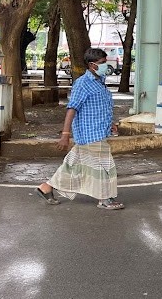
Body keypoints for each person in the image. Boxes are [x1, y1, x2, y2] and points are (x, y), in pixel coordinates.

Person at [35, 48, 124, 210]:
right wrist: (65, 134)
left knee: (73, 165)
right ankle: (104, 199)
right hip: (90, 133)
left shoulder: (99, 82)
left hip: (98, 131)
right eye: (102, 63)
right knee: (104, 166)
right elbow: (72, 108)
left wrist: (110, 123)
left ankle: (46, 188)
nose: (106, 65)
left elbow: (100, 107)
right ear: (92, 65)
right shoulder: (83, 83)